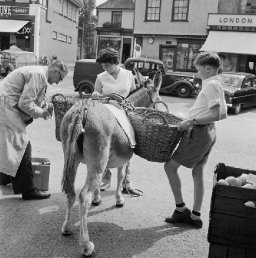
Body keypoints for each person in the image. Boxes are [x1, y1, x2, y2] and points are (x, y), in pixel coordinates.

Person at [164, 52, 227, 228]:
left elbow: (216, 114)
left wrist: (191, 120)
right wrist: (193, 116)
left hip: (199, 133)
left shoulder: (211, 85)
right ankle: (196, 216)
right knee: (197, 172)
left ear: (207, 68)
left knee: (170, 167)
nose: (196, 70)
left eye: (198, 66)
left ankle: (180, 210)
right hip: (208, 131)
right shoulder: (216, 84)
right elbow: (222, 113)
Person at [0, 60, 68, 200]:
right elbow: (25, 103)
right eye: (60, 78)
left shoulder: (39, 74)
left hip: (6, 107)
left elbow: (34, 98)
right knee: (22, 147)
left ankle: (4, 178)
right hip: (6, 108)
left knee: (9, 145)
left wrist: (45, 105)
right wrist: (42, 112)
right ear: (55, 70)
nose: (58, 83)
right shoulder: (39, 75)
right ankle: (28, 190)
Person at [91, 47, 142, 196]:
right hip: (107, 110)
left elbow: (133, 92)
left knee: (128, 144)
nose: (105, 68)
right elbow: (96, 93)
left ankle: (127, 182)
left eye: (108, 65)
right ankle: (106, 178)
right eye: (103, 66)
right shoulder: (101, 77)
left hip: (125, 111)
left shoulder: (128, 74)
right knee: (103, 143)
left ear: (115, 62)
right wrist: (95, 94)